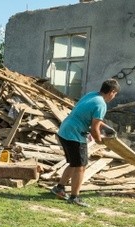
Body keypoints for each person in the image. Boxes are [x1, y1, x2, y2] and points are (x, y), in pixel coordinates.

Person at [50, 79, 120, 207]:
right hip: (74, 135)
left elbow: (91, 119)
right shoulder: (101, 105)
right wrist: (100, 141)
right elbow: (94, 129)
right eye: (115, 94)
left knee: (74, 163)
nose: (114, 97)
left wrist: (106, 128)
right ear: (112, 92)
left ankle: (59, 188)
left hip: (65, 130)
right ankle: (74, 197)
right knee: (80, 167)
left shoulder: (92, 95)